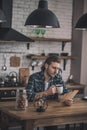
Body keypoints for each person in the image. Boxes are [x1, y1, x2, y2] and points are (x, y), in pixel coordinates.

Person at [26, 55, 73, 130]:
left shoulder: (58, 77)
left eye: (58, 68)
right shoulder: (34, 77)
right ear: (46, 65)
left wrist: (68, 99)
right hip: (35, 110)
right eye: (54, 68)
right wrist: (46, 92)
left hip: (52, 112)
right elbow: (28, 96)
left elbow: (66, 91)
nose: (56, 71)